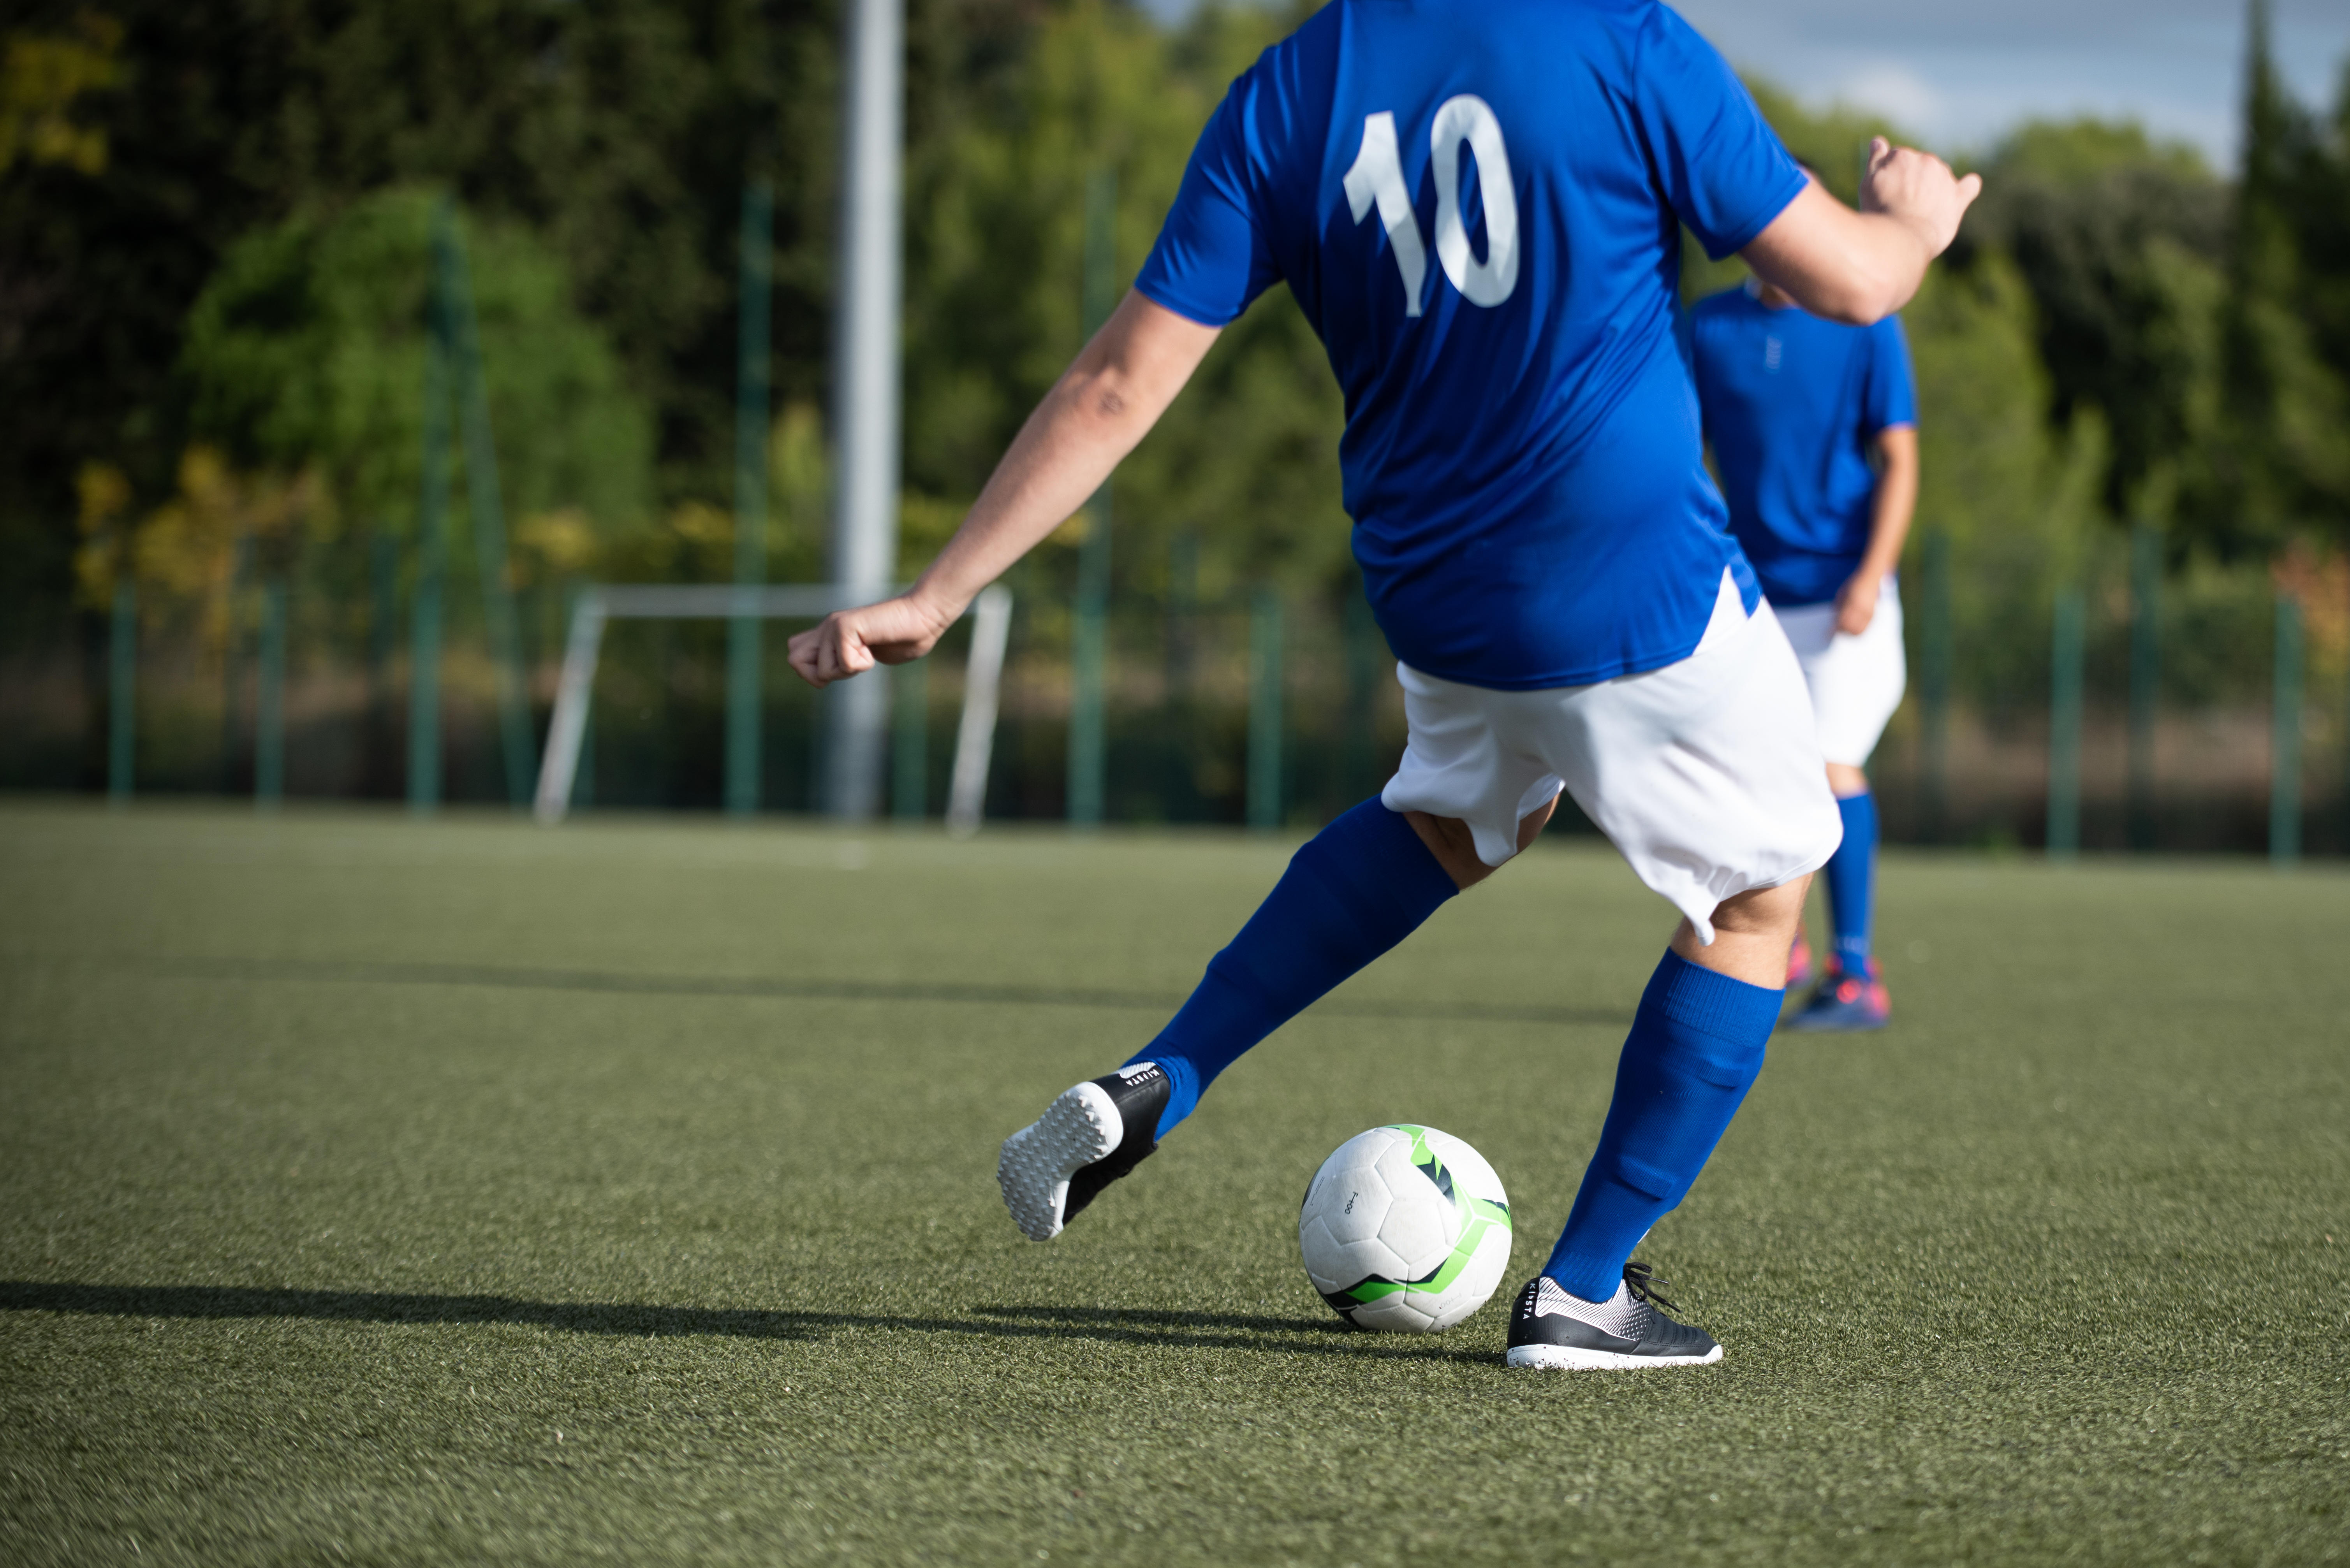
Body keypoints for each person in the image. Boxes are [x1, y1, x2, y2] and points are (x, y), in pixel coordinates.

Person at [790, 0, 1978, 1369]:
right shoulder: (1618, 38)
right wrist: (1919, 216)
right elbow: (1850, 282)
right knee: (1763, 892)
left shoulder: (1284, 93)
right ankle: (1584, 1292)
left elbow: (1116, 383)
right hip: (1628, 576)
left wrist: (937, 591)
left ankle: (1168, 1067)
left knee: (1455, 817)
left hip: (1434, 587)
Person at [1688, 179, 1919, 1032]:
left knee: (1827, 769)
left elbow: (1900, 457)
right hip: (1751, 600)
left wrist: (1872, 572)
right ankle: (1772, 952)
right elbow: (1680, 452)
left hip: (1847, 598)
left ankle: (1855, 972)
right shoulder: (1710, 326)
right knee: (1750, 783)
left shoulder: (1866, 320)